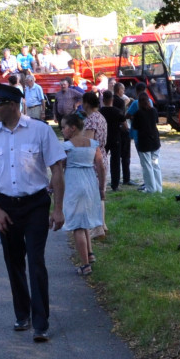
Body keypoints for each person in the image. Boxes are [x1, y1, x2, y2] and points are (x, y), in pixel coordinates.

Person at [0, 83, 67, 342]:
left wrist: (58, 209)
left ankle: (41, 322)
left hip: (35, 204)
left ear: (13, 105)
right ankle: (22, 313)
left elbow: (57, 169)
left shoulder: (40, 130)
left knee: (35, 261)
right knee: (13, 263)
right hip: (5, 206)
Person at [59, 114, 105, 275]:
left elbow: (59, 169)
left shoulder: (67, 146)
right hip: (90, 182)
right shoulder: (93, 144)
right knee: (84, 219)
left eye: (64, 127)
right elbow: (100, 166)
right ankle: (90, 254)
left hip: (74, 182)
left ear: (72, 128)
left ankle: (85, 265)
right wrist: (101, 187)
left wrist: (52, 187)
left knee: (77, 225)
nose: (62, 130)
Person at [81, 92, 109, 238]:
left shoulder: (91, 119)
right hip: (102, 155)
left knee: (92, 193)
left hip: (93, 158)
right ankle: (102, 225)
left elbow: (88, 142)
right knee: (100, 192)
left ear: (86, 103)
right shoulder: (101, 117)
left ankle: (96, 227)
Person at [132, 86, 162, 193]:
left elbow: (135, 127)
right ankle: (159, 188)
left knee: (147, 166)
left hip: (144, 141)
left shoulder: (138, 114)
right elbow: (156, 122)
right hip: (155, 140)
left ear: (139, 102)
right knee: (155, 164)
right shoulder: (154, 110)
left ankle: (150, 188)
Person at [99, 92, 126, 192]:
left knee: (100, 161)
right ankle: (115, 184)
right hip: (116, 138)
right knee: (115, 162)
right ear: (112, 100)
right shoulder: (118, 111)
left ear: (103, 100)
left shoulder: (100, 112)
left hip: (103, 139)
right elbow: (125, 126)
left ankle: (101, 182)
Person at [113, 82, 133, 186]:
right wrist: (127, 129)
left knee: (115, 157)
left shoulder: (110, 100)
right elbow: (122, 117)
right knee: (125, 156)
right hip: (121, 130)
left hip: (113, 131)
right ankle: (126, 178)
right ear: (119, 90)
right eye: (123, 89)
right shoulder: (120, 102)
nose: (124, 91)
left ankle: (115, 180)